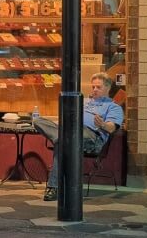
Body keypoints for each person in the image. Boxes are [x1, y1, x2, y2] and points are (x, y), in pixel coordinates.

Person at [35, 72, 124, 201]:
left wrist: (103, 124)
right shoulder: (83, 101)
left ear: (108, 88)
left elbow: (111, 128)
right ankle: (62, 137)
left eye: (98, 87)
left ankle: (53, 187)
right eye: (93, 87)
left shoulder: (113, 107)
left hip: (91, 137)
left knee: (63, 142)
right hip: (70, 131)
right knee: (39, 121)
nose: (94, 90)